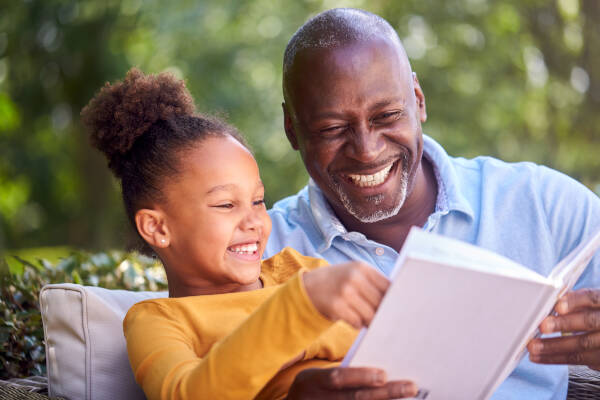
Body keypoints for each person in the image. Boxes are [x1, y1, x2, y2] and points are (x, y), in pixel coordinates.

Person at [265, 8, 600, 400]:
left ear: (418, 101)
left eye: (387, 116)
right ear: (292, 129)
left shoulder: (543, 204)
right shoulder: (259, 253)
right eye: (332, 129)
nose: (367, 151)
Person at [80, 68, 419, 400]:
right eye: (226, 205)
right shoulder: (159, 322)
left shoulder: (297, 271)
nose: (255, 220)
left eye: (258, 200)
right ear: (157, 228)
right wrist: (301, 305)